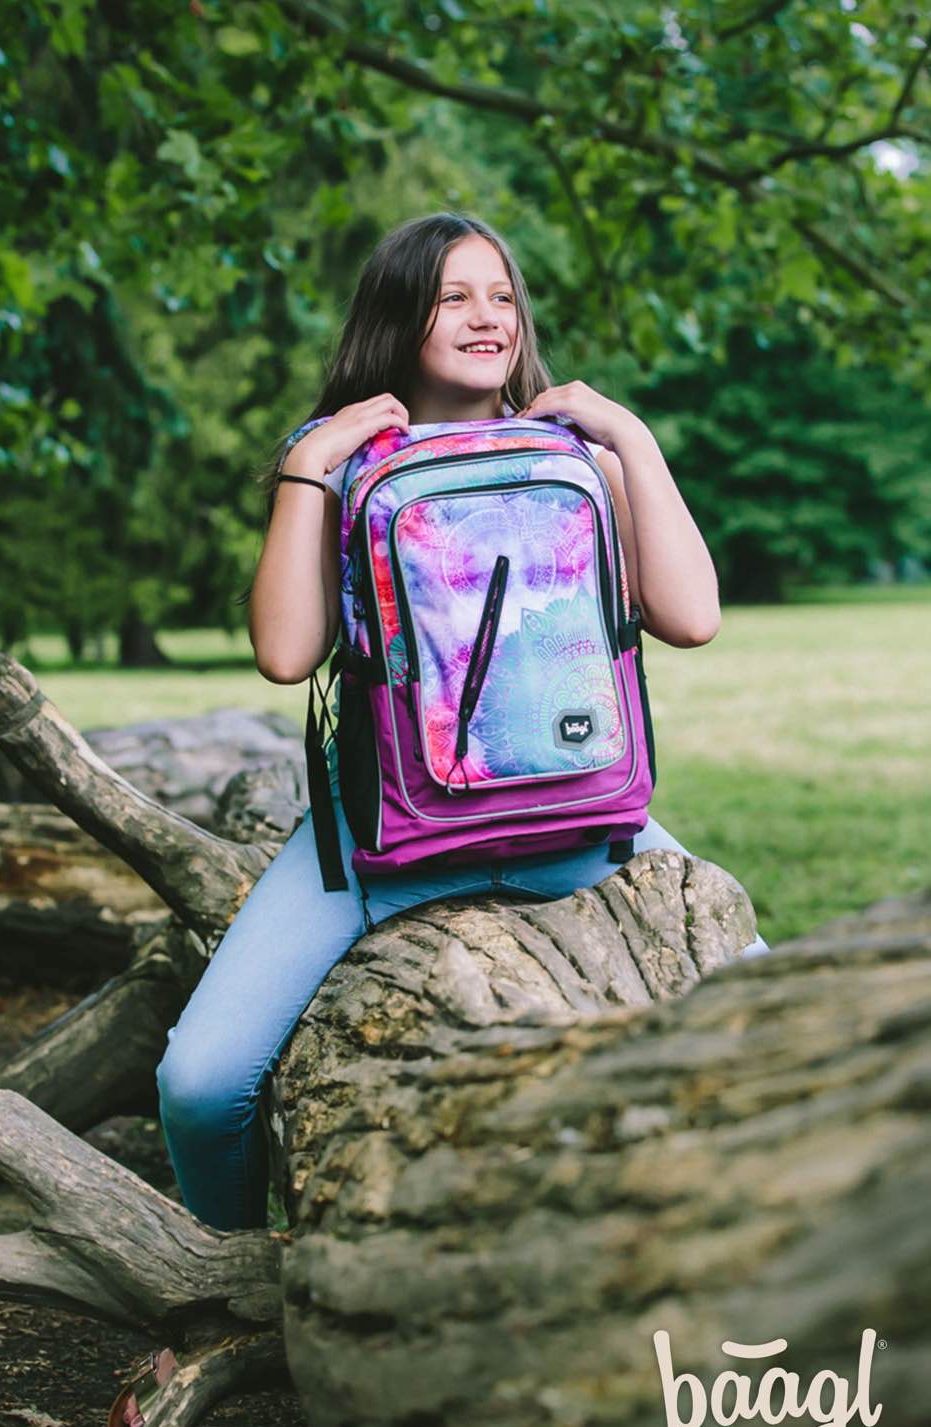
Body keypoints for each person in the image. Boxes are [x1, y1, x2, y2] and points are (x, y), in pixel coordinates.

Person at [156, 212, 769, 1237]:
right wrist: (312, 463)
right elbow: (285, 653)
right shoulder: (346, 462)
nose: (488, 316)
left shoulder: (577, 453)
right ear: (399, 315)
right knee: (199, 1083)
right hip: (388, 841)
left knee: (774, 1013)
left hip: (584, 828)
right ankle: (224, 1286)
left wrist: (630, 434)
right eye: (453, 296)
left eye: (501, 295)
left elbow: (692, 617)